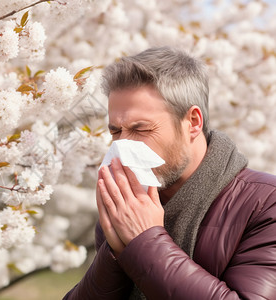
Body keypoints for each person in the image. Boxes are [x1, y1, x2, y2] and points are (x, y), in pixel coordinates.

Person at [63, 46, 276, 299]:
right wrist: (116, 254)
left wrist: (145, 241)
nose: (123, 146)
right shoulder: (126, 205)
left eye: (141, 130)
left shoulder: (265, 204)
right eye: (116, 132)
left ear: (193, 123)